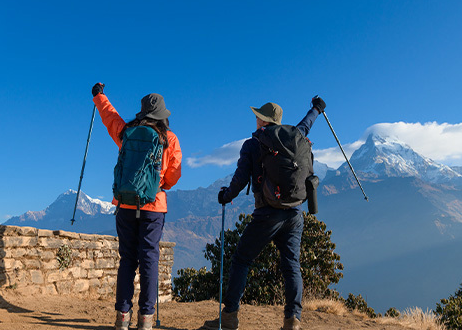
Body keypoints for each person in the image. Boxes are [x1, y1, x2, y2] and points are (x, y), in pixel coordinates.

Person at [202, 96, 326, 330]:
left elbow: (240, 179)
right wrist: (317, 108)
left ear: (263, 120)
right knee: (291, 265)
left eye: (258, 116)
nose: (255, 118)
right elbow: (307, 123)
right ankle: (292, 321)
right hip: (294, 213)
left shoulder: (253, 144)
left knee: (241, 260)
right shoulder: (295, 136)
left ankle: (229, 317)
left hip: (267, 213)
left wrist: (225, 196)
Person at [92, 83, 182, 330]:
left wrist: (99, 96)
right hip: (153, 206)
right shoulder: (169, 139)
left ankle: (122, 316)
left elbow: (110, 118)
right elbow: (173, 177)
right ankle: (145, 319)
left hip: (125, 204)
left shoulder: (126, 132)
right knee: (149, 259)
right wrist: (158, 183)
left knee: (127, 260)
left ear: (142, 113)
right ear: (162, 116)